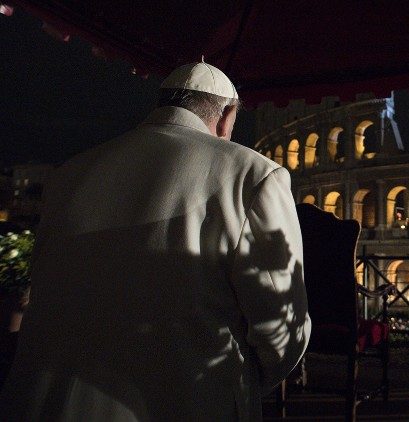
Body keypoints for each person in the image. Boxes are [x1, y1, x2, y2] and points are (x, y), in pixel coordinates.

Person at [0, 62, 310, 421]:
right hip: (180, 402)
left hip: (45, 402)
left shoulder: (70, 172)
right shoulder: (254, 174)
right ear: (226, 116)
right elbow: (282, 328)